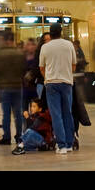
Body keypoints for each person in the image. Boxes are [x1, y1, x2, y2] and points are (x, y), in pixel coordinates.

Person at [39, 22, 77, 154]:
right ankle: (69, 143)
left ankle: (61, 146)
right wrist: (66, 74)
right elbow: (73, 65)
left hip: (51, 83)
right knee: (68, 113)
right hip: (66, 83)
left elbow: (42, 68)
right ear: (61, 32)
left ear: (50, 33)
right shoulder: (69, 45)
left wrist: (48, 76)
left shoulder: (45, 47)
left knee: (56, 115)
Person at [0, 30, 25, 146]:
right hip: (17, 86)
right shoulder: (20, 54)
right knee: (18, 113)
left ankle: (6, 137)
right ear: (12, 40)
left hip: (5, 87)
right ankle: (19, 136)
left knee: (6, 113)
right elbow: (23, 69)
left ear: (5, 41)